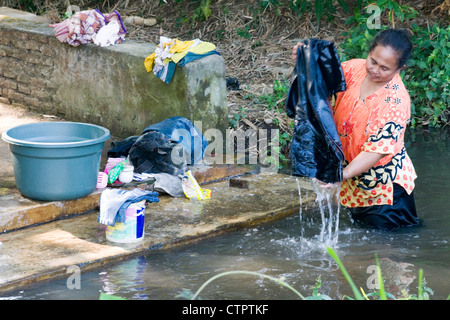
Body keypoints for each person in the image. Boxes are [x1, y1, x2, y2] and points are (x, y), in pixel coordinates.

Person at [292, 29, 419, 230]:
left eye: (385, 68)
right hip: (352, 179)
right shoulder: (354, 69)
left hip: (384, 192)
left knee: (388, 247)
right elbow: (319, 81)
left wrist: (340, 175)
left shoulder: (395, 102)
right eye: (373, 61)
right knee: (360, 238)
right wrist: (305, 60)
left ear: (399, 69)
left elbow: (376, 151)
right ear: (369, 53)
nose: (375, 70)